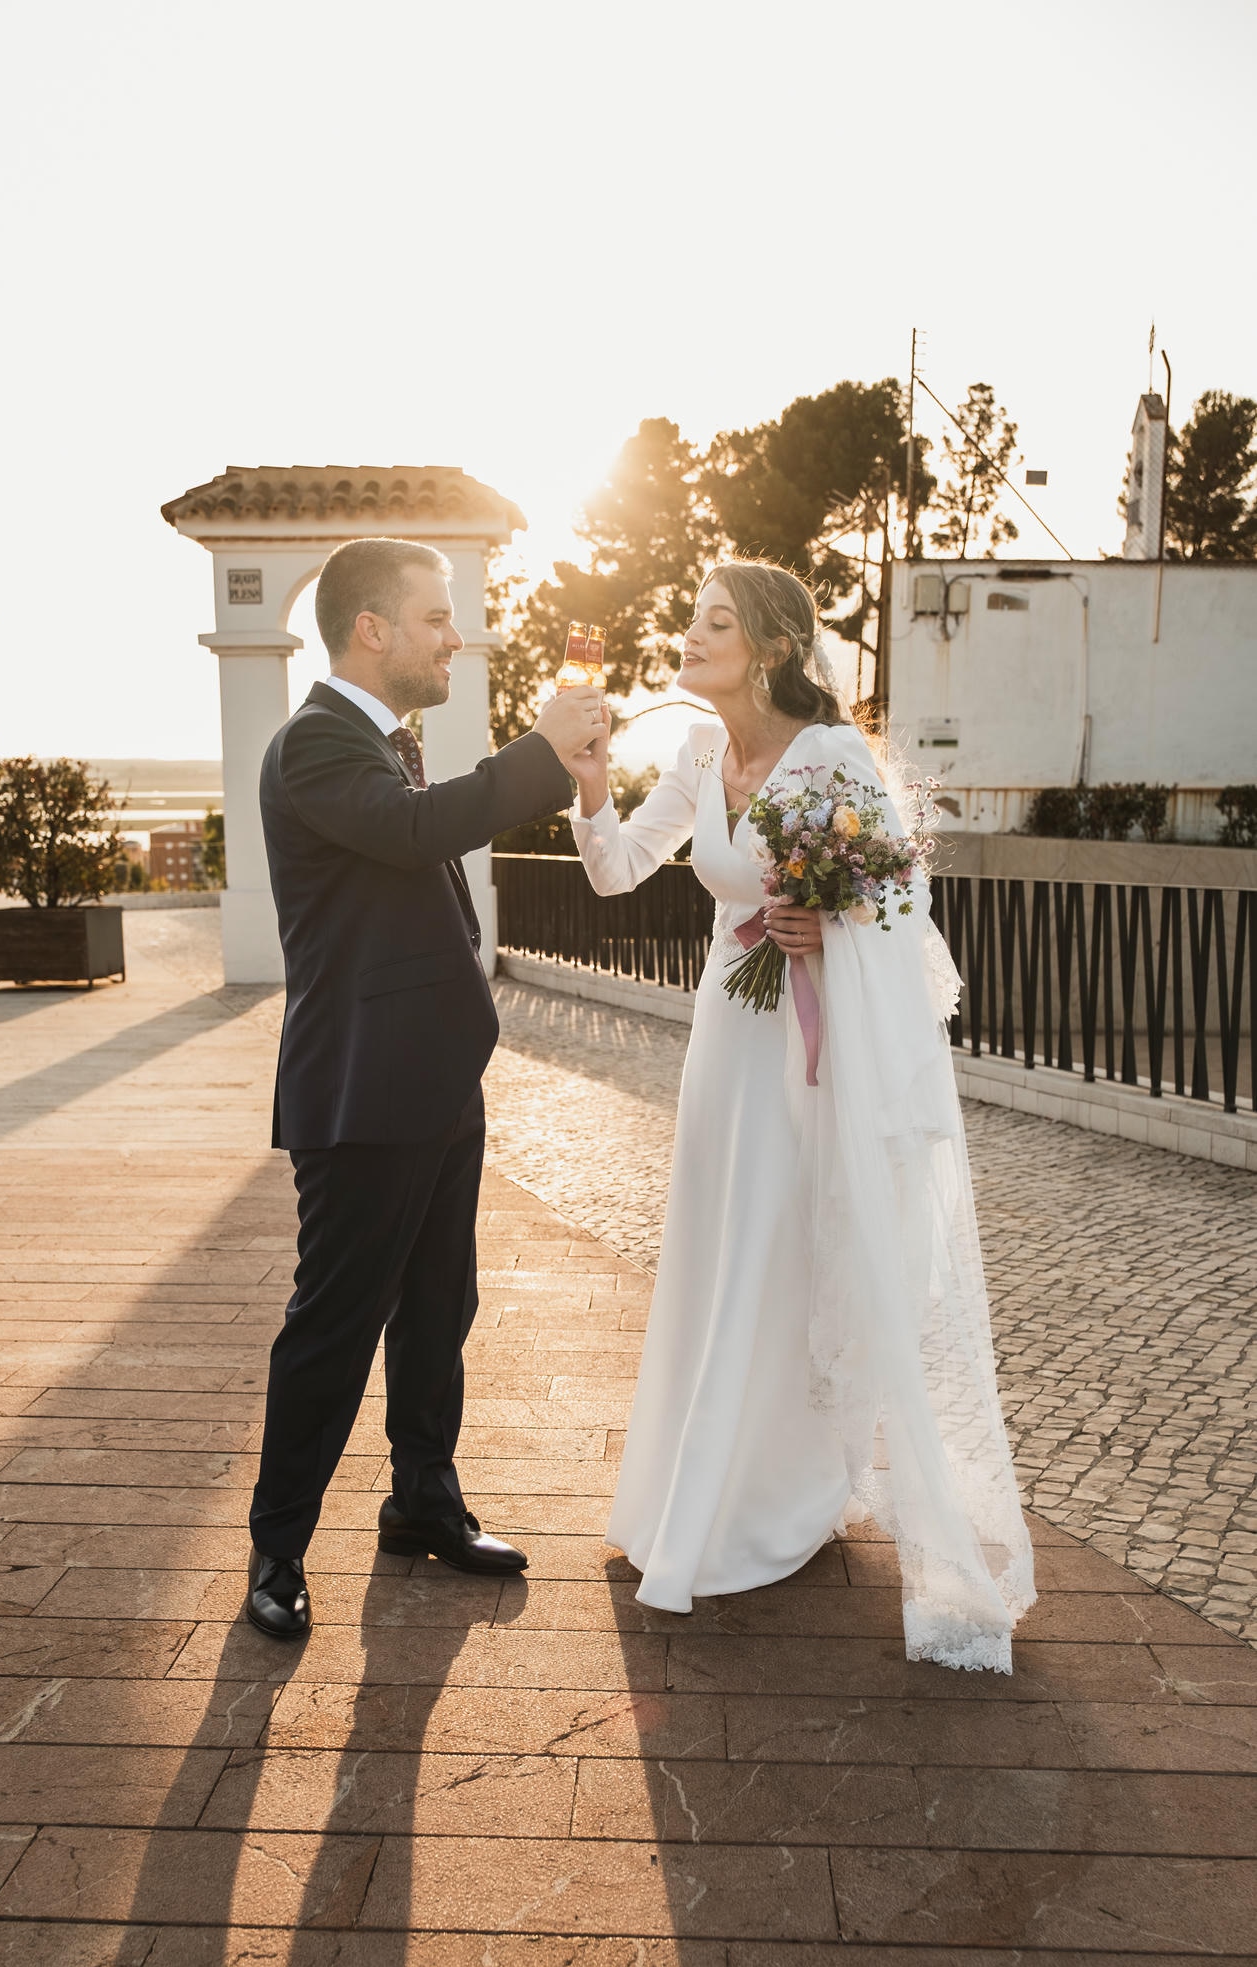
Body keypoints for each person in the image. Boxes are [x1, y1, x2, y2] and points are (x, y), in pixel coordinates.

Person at [565, 559, 1034, 1673]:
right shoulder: (694, 752)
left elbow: (900, 902)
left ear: (770, 646)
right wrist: (589, 782)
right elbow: (619, 870)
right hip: (726, 1035)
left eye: (712, 620)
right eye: (690, 617)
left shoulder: (828, 756)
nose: (689, 635)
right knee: (715, 1246)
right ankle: (707, 1485)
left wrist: (836, 929)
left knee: (777, 1249)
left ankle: (776, 1496)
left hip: (805, 1050)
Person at [245, 536, 605, 1637]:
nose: (457, 635)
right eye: (438, 617)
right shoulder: (314, 745)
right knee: (335, 1322)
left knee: (440, 1309)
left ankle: (422, 1503)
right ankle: (277, 1550)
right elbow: (415, 831)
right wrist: (540, 748)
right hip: (361, 1093)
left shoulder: (383, 744)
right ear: (372, 631)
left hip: (438, 1081)